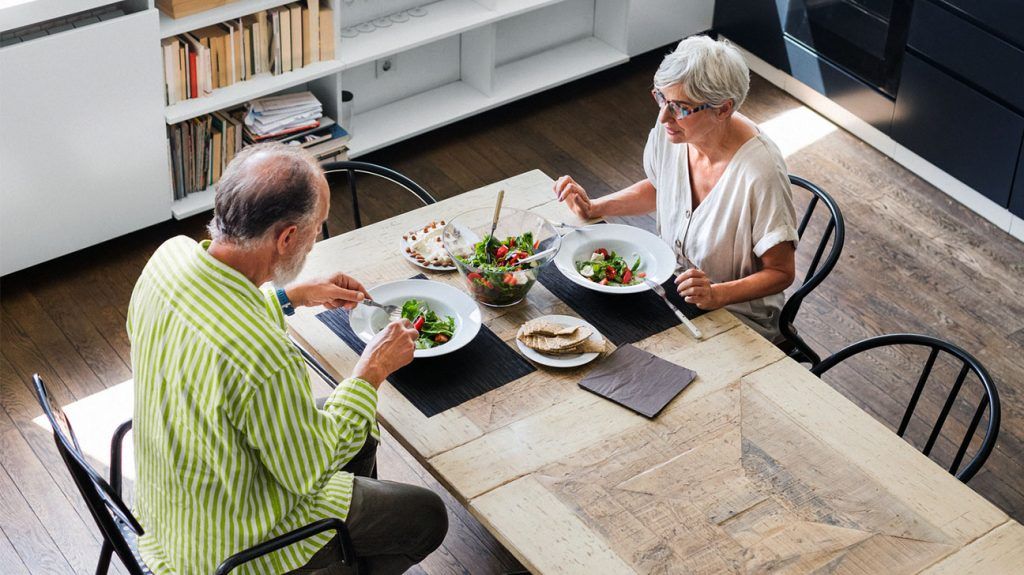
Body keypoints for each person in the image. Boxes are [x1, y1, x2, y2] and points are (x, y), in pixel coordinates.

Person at [128, 142, 448, 575]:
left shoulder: (168, 260)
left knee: (359, 429)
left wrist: (293, 295)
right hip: (229, 544)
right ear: (287, 238)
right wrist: (371, 371)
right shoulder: (264, 356)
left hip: (171, 500)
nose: (316, 239)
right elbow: (306, 472)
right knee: (428, 515)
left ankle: (346, 555)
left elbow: (214, 322)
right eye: (317, 228)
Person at [555, 36, 799, 342]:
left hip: (736, 316)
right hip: (671, 291)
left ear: (723, 109)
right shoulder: (674, 131)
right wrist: (596, 207)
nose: (663, 117)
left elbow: (781, 272)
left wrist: (717, 293)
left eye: (680, 108)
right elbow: (662, 187)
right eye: (661, 99)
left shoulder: (761, 172)